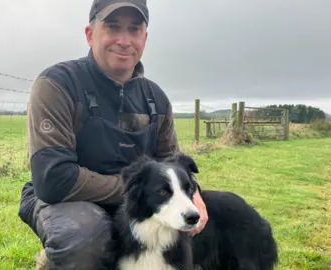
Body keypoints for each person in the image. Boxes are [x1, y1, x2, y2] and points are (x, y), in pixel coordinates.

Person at [17, 0, 208, 269]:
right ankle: (55, 260)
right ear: (90, 34)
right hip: (67, 200)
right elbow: (53, 180)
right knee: (86, 235)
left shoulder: (156, 98)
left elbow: (171, 163)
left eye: (134, 29)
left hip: (139, 197)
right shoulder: (57, 84)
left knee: (200, 218)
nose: (124, 40)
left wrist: (193, 193)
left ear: (145, 38)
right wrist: (137, 192)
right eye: (113, 27)